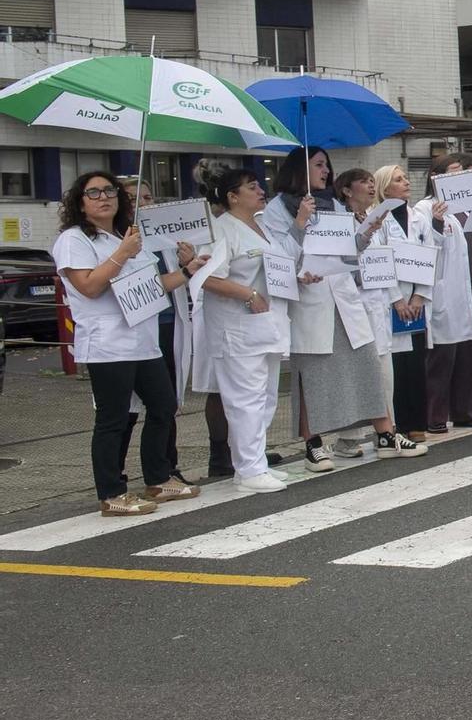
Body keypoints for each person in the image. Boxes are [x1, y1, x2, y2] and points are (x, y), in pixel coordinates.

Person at [52, 171, 205, 515]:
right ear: (80, 202)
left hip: (144, 340)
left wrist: (188, 270)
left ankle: (158, 477)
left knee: (164, 406)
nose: (104, 197)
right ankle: (111, 493)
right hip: (108, 343)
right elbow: (89, 286)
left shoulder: (129, 236)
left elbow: (152, 286)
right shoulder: (75, 239)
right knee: (114, 418)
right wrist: (122, 253)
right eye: (94, 193)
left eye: (109, 191)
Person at [268, 148, 422, 471]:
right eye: (319, 165)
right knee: (311, 375)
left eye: (327, 165)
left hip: (343, 297)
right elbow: (278, 258)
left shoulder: (334, 205)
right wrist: (299, 223)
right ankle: (313, 444)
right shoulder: (276, 210)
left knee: (367, 363)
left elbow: (349, 252)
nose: (326, 171)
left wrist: (367, 232)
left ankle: (385, 434)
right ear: (300, 169)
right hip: (309, 300)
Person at [192, 162, 293, 494]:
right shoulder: (222, 229)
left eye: (259, 185)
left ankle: (254, 463)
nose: (261, 191)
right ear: (232, 197)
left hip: (268, 326)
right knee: (244, 400)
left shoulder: (263, 226)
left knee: (265, 398)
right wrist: (247, 293)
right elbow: (207, 278)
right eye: (252, 186)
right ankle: (249, 469)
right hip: (237, 329)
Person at [117, 177, 200, 488]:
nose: (143, 204)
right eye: (133, 198)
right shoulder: (117, 240)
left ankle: (166, 467)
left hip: (167, 325)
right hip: (132, 332)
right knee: (125, 409)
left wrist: (186, 262)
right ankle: (116, 473)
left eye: (148, 197)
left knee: (165, 402)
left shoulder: (165, 237)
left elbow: (184, 280)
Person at [412, 153, 472, 433]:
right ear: (435, 176)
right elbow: (425, 248)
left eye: (461, 172)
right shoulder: (424, 209)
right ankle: (434, 415)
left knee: (470, 355)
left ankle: (465, 410)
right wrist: (437, 223)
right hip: (445, 292)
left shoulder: (468, 208)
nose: (458, 176)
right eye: (453, 171)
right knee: (442, 358)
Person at [372, 163, 431, 444]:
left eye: (405, 177)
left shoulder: (419, 217)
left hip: (416, 302)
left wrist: (419, 295)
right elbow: (379, 261)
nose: (406, 182)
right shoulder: (378, 219)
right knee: (396, 366)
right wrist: (397, 299)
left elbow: (430, 257)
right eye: (398, 179)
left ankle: (418, 422)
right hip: (391, 302)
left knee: (416, 364)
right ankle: (397, 423)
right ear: (385, 187)